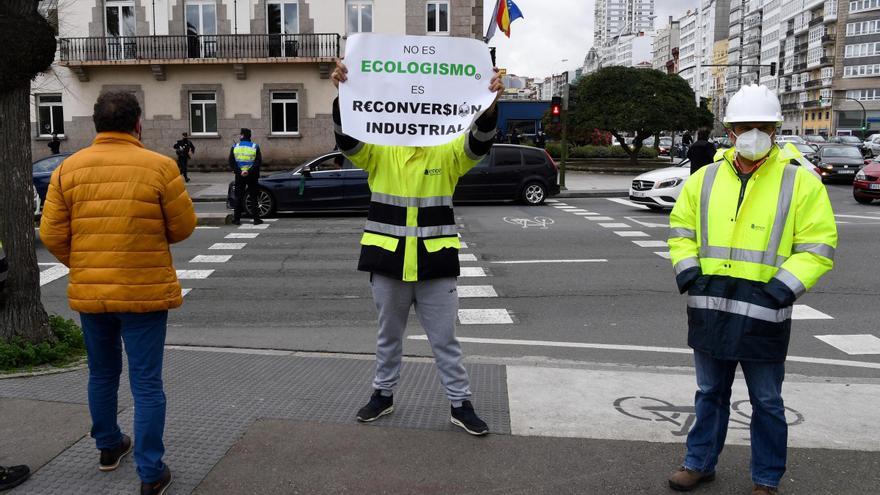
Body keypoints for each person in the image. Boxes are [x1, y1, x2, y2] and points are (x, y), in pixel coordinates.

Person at [667, 84, 837, 494]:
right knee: (709, 392)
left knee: (766, 402)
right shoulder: (704, 178)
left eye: (762, 126)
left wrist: (781, 289)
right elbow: (680, 230)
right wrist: (690, 272)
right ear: (729, 131)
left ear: (776, 130)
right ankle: (699, 463)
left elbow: (818, 246)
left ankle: (766, 479)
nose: (753, 133)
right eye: (745, 126)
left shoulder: (800, 182)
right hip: (710, 305)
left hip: (764, 311)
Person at [331, 59, 504, 436]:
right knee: (388, 337)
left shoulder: (448, 152)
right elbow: (347, 140)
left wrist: (488, 107)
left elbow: (479, 143)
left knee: (445, 340)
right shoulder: (379, 151)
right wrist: (343, 94)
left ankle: (460, 404)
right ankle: (383, 395)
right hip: (389, 263)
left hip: (434, 265)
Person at [39, 91, 197, 495]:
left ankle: (109, 447)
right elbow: (182, 228)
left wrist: (87, 265)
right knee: (146, 384)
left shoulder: (68, 169)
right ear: (137, 124)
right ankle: (151, 473)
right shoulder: (160, 167)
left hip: (94, 295)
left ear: (95, 125)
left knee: (102, 373)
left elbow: (52, 233)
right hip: (143, 293)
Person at [229, 128, 263, 226]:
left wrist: (240, 171)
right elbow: (258, 162)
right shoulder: (255, 146)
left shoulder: (235, 146)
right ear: (250, 136)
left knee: (238, 197)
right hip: (252, 176)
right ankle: (256, 219)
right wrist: (248, 171)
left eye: (240, 134)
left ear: (242, 136)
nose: (240, 136)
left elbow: (231, 162)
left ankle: (236, 219)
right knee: (253, 197)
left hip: (240, 176)